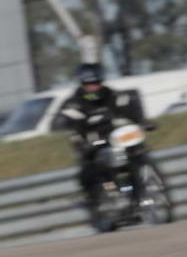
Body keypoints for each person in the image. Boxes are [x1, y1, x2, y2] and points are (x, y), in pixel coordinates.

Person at [58, 63, 152, 220]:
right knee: (89, 168)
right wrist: (79, 138)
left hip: (116, 139)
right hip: (91, 143)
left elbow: (131, 110)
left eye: (96, 82)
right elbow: (68, 124)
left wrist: (143, 122)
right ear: (82, 83)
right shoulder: (73, 103)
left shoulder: (114, 95)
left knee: (136, 152)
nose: (93, 86)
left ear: (101, 81)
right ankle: (93, 201)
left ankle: (138, 192)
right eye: (88, 83)